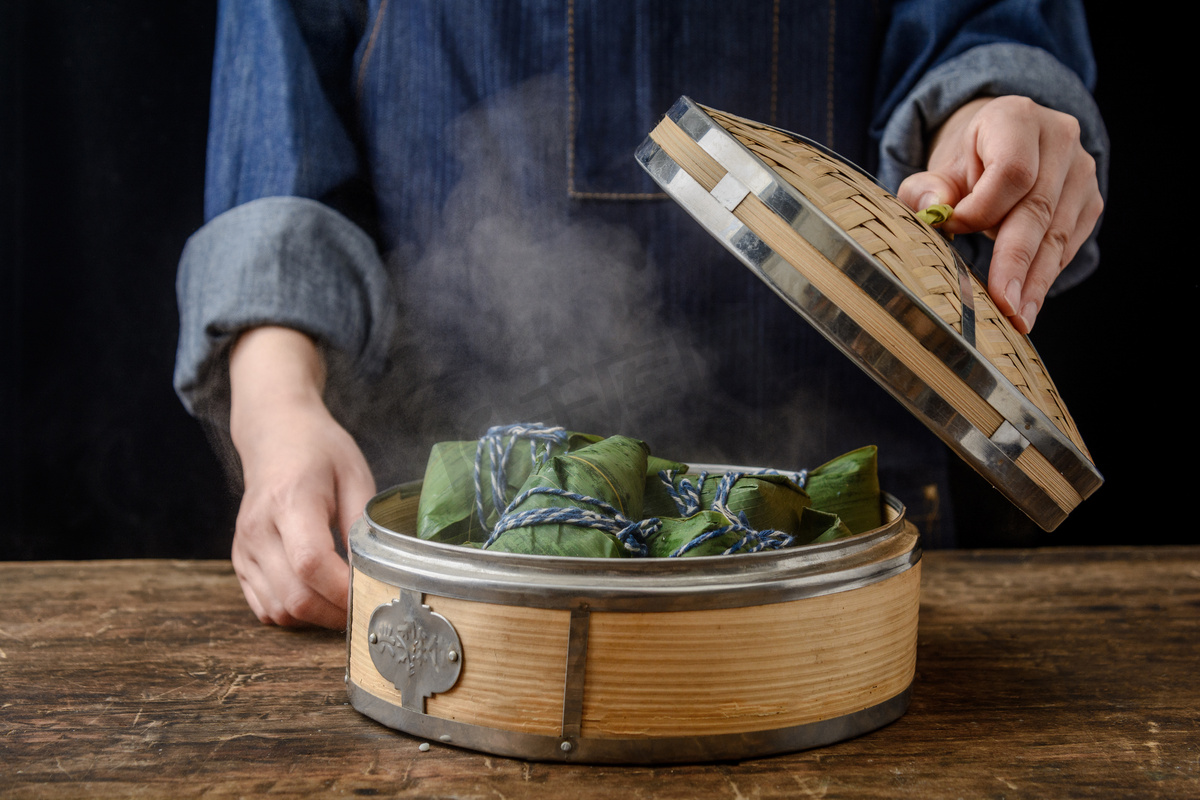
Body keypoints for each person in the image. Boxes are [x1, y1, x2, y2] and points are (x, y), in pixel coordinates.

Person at [176, 1, 1106, 628]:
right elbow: (281, 91)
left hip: (835, 566)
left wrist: (981, 120)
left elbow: (983, 20)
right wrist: (276, 403)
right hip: (450, 560)